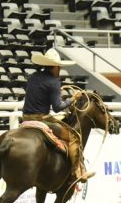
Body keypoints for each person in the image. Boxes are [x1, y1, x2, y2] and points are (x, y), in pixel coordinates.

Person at [21, 48, 94, 182]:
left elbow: (40, 94)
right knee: (74, 136)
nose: (59, 69)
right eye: (59, 67)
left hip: (26, 118)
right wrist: (73, 99)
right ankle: (77, 172)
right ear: (54, 67)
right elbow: (57, 107)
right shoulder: (53, 82)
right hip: (41, 119)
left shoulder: (33, 77)